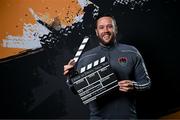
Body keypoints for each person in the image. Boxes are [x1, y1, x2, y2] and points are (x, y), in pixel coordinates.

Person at [64, 14, 151, 119]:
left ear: (116, 29)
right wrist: (70, 77)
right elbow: (76, 90)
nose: (106, 30)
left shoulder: (132, 52)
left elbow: (146, 83)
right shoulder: (85, 58)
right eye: (101, 27)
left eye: (109, 26)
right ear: (96, 32)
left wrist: (134, 86)